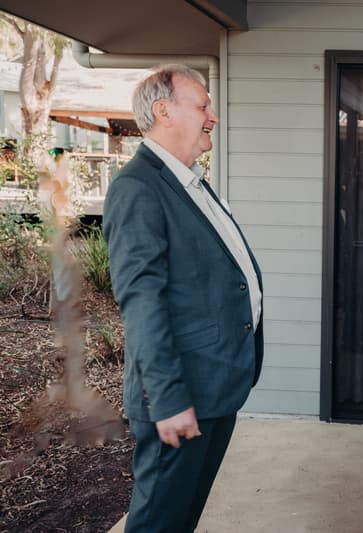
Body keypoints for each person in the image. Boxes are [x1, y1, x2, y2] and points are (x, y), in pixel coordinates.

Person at [103, 64, 264, 532]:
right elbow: (142, 302)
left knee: (181, 518)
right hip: (181, 394)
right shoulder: (138, 188)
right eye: (203, 105)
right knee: (158, 522)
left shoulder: (189, 181)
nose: (212, 116)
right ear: (164, 111)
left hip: (215, 385)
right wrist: (169, 399)